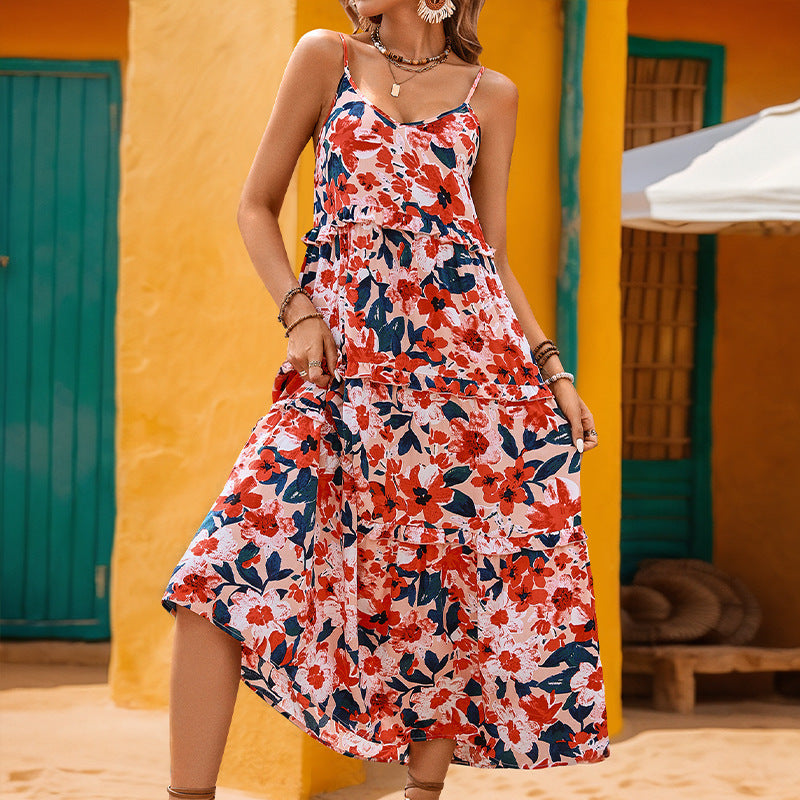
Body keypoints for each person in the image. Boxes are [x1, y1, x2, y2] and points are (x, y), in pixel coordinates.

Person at [161, 1, 610, 798]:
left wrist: (553, 370)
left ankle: (419, 792)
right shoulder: (325, 58)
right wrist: (298, 311)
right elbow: (254, 205)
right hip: (341, 375)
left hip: (471, 379)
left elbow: (489, 254)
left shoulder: (491, 95)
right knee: (218, 571)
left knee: (448, 580)